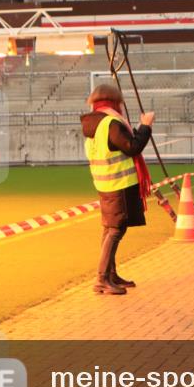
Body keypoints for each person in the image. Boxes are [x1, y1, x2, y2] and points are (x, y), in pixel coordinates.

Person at [80, 84, 154, 295]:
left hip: (105, 184)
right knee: (115, 230)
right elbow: (132, 147)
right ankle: (102, 279)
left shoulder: (93, 123)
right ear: (114, 101)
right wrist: (145, 126)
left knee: (110, 229)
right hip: (118, 185)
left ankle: (110, 275)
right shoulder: (111, 122)